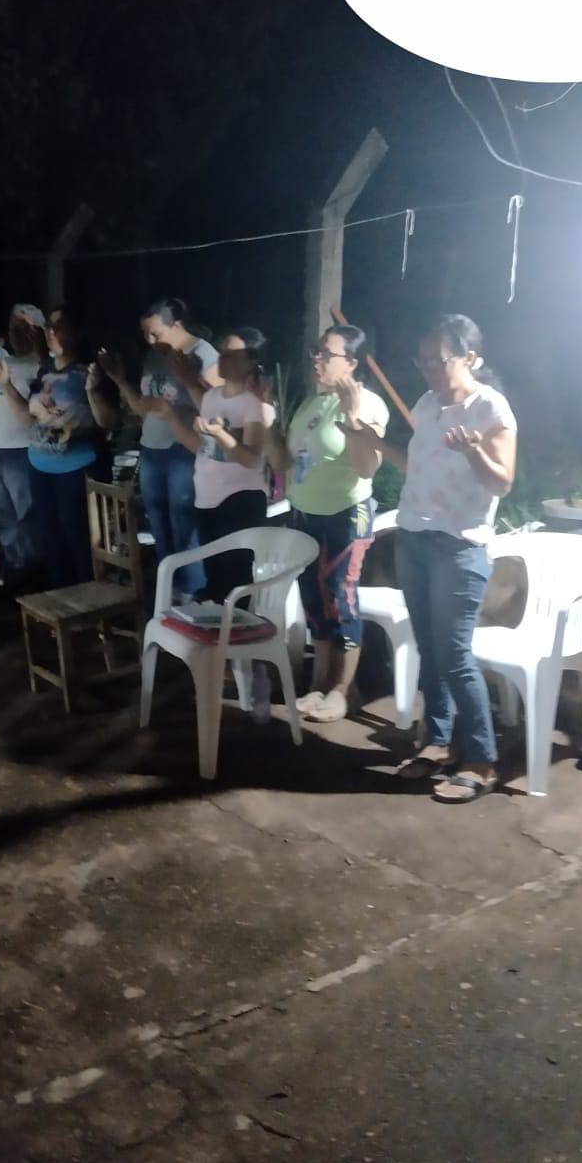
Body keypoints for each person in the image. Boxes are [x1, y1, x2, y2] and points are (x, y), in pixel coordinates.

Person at [359, 314, 517, 804]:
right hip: (414, 538)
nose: (428, 369)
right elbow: (419, 465)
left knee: (454, 655)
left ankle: (481, 761)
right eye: (422, 361)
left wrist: (474, 453)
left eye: (438, 360)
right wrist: (377, 444)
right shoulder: (427, 405)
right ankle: (438, 742)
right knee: (429, 648)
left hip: (458, 546)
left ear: (470, 358)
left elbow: (502, 482)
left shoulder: (491, 408)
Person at [266, 324, 389, 723]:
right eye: (315, 352)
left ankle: (344, 689)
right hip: (304, 513)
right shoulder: (312, 404)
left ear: (351, 363)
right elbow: (284, 461)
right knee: (313, 597)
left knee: (341, 596)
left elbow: (367, 467)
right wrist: (267, 419)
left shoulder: (368, 404)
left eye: (326, 354)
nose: (316, 360)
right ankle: (320, 682)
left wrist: (352, 419)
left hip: (345, 514)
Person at [96, 298, 220, 602]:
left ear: (176, 325)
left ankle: (192, 596)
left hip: (185, 451)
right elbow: (144, 409)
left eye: (156, 333)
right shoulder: (153, 359)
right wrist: (120, 381)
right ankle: (168, 592)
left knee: (184, 526)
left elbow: (217, 411)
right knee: (159, 526)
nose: (150, 341)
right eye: (145, 334)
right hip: (152, 450)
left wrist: (189, 382)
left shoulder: (203, 354)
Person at [0, 308, 110, 587]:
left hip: (77, 468)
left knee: (79, 540)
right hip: (40, 466)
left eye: (60, 327)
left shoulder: (91, 371)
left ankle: (88, 601)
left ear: (77, 332)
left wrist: (93, 391)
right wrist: (5, 385)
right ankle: (60, 599)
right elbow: (27, 419)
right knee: (51, 541)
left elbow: (108, 422)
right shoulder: (44, 370)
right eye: (48, 327)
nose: (52, 333)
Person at [154, 327, 271, 603]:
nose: (223, 358)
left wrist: (220, 435)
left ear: (252, 362)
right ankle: (218, 629)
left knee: (236, 585)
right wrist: (170, 417)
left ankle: (239, 630)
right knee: (216, 582)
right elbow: (202, 449)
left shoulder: (256, 405)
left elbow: (253, 458)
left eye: (232, 354)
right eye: (223, 352)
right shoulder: (212, 398)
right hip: (207, 500)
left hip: (239, 502)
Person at [0, 304, 48, 592]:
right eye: (13, 328)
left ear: (37, 331)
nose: (16, 334)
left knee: (27, 517)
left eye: (23, 328)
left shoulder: (42, 366)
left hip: (22, 449)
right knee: (2, 515)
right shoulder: (2, 361)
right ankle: (15, 566)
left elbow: (32, 414)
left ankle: (33, 574)